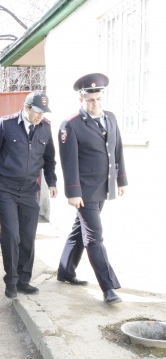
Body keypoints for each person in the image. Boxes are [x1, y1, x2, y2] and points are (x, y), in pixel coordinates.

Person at [56, 73, 128, 304]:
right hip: (85, 192)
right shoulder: (71, 124)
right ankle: (108, 288)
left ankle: (65, 271)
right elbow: (69, 162)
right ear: (81, 100)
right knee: (94, 237)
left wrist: (121, 180)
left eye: (98, 99)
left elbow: (117, 149)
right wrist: (73, 192)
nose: (95, 103)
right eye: (90, 100)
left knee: (81, 229)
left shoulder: (110, 117)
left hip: (104, 187)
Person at [0, 91, 58, 300]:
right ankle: (11, 280)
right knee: (11, 235)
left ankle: (24, 280)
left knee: (27, 237)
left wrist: (52, 182)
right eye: (37, 112)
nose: (40, 116)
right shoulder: (6, 124)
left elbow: (49, 159)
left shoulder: (45, 127)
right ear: (26, 108)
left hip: (29, 190)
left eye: (43, 112)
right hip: (5, 188)